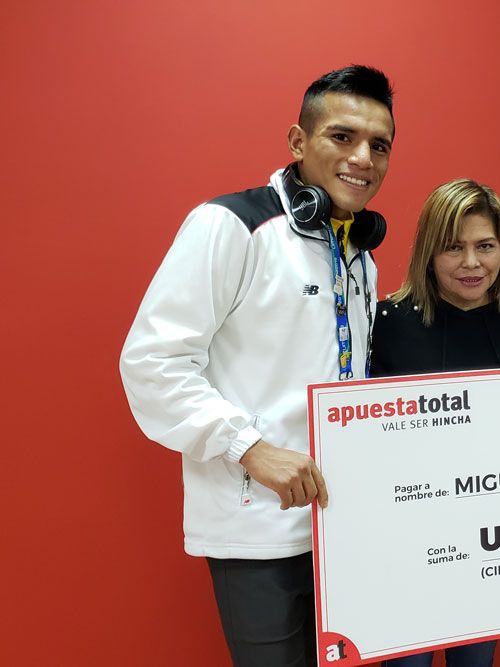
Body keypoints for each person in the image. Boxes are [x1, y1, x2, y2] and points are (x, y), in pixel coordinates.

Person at [120, 65, 396, 667]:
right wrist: (250, 448)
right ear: (298, 141)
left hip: (342, 528)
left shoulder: (360, 257)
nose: (363, 158)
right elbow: (152, 361)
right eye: (342, 136)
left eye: (379, 145)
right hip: (255, 533)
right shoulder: (231, 226)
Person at [369, 178, 500, 667]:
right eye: (454, 247)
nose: (472, 262)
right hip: (406, 544)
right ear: (429, 253)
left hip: (493, 541)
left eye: (485, 246)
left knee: (475, 660)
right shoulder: (386, 323)